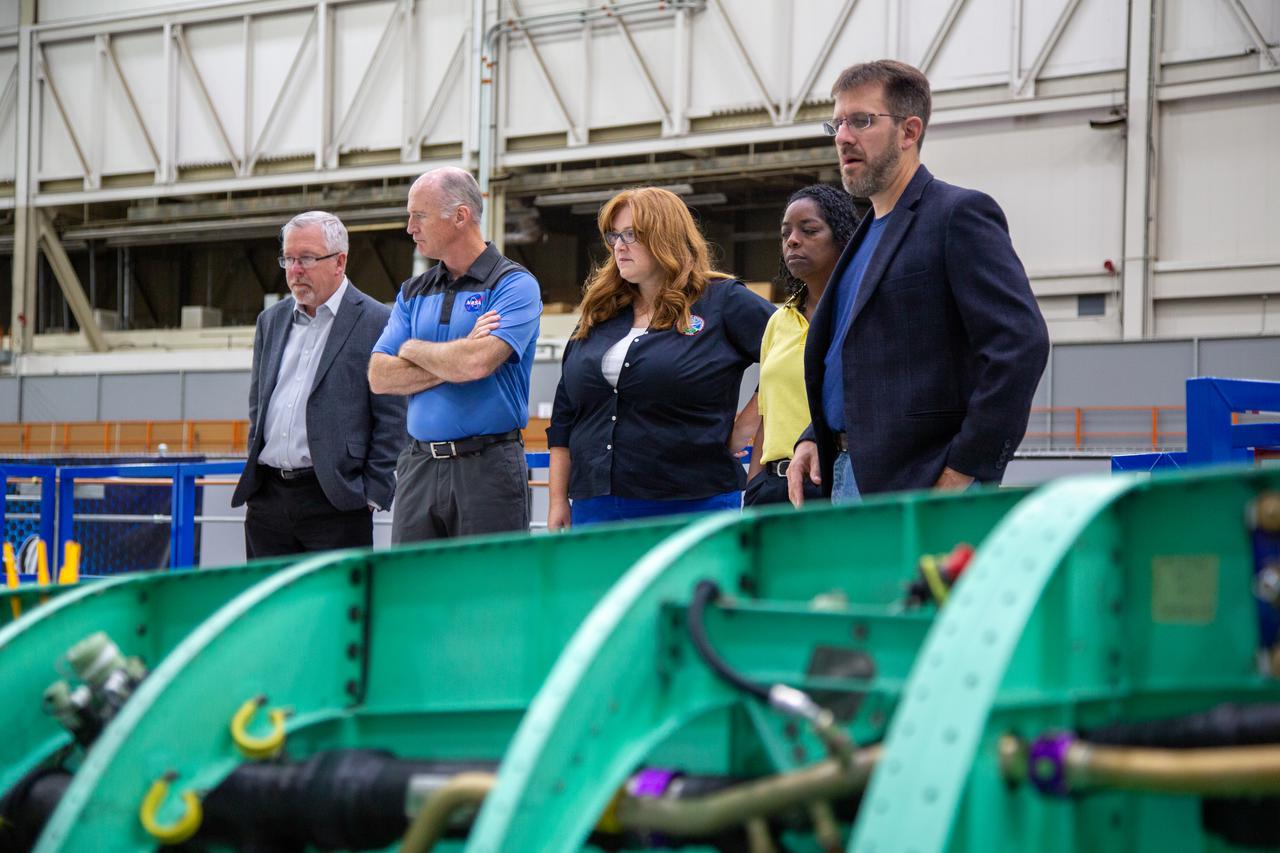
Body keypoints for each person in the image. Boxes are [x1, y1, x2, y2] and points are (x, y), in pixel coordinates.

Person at [788, 59, 1049, 506]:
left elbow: (1020, 345)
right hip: (849, 473)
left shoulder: (957, 215)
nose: (843, 137)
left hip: (924, 485)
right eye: (837, 123)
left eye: (861, 121)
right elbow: (865, 360)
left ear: (909, 131)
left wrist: (966, 465)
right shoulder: (864, 236)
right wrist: (816, 435)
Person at [547, 186, 775, 528]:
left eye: (631, 234)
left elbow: (793, 349)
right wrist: (556, 500)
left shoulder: (722, 301)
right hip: (596, 507)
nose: (619, 246)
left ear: (665, 237)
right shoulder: (601, 311)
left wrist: (749, 420)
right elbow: (565, 411)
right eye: (614, 236)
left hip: (692, 503)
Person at [368, 167, 542, 542]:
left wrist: (412, 349)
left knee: (488, 580)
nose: (410, 227)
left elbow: (477, 363)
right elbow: (379, 375)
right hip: (418, 467)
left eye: (420, 215)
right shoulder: (413, 291)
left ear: (460, 216)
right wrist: (458, 356)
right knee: (413, 580)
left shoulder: (514, 285)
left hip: (487, 470)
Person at [232, 211, 407, 557]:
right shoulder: (270, 321)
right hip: (268, 502)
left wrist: (371, 495)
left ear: (340, 261)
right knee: (269, 595)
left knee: (335, 594)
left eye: (307, 258)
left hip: (337, 501)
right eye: (288, 259)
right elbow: (258, 405)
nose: (295, 270)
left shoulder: (378, 322)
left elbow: (393, 418)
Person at [744, 184, 859, 507]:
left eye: (809, 230)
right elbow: (767, 419)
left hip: (837, 482)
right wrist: (754, 489)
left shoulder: (859, 314)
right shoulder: (778, 321)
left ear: (842, 238)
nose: (792, 240)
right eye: (786, 233)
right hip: (773, 487)